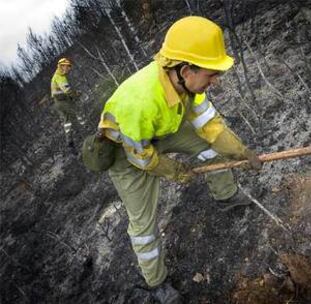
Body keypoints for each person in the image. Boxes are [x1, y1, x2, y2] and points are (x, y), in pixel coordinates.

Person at [98, 16, 262, 303]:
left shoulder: (187, 86)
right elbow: (141, 157)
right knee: (143, 223)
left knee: (207, 147)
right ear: (186, 70)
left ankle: (226, 196)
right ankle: (156, 283)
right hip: (127, 151)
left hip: (160, 131)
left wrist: (241, 152)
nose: (216, 81)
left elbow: (212, 127)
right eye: (211, 74)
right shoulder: (140, 103)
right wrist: (176, 171)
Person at [50, 58, 85, 153]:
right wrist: (76, 94)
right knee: (77, 114)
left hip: (58, 102)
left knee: (67, 122)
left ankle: (70, 143)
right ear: (61, 66)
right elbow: (67, 91)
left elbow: (63, 91)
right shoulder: (60, 77)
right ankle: (85, 134)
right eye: (67, 66)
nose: (69, 68)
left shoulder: (56, 76)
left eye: (70, 67)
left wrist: (72, 95)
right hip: (62, 102)